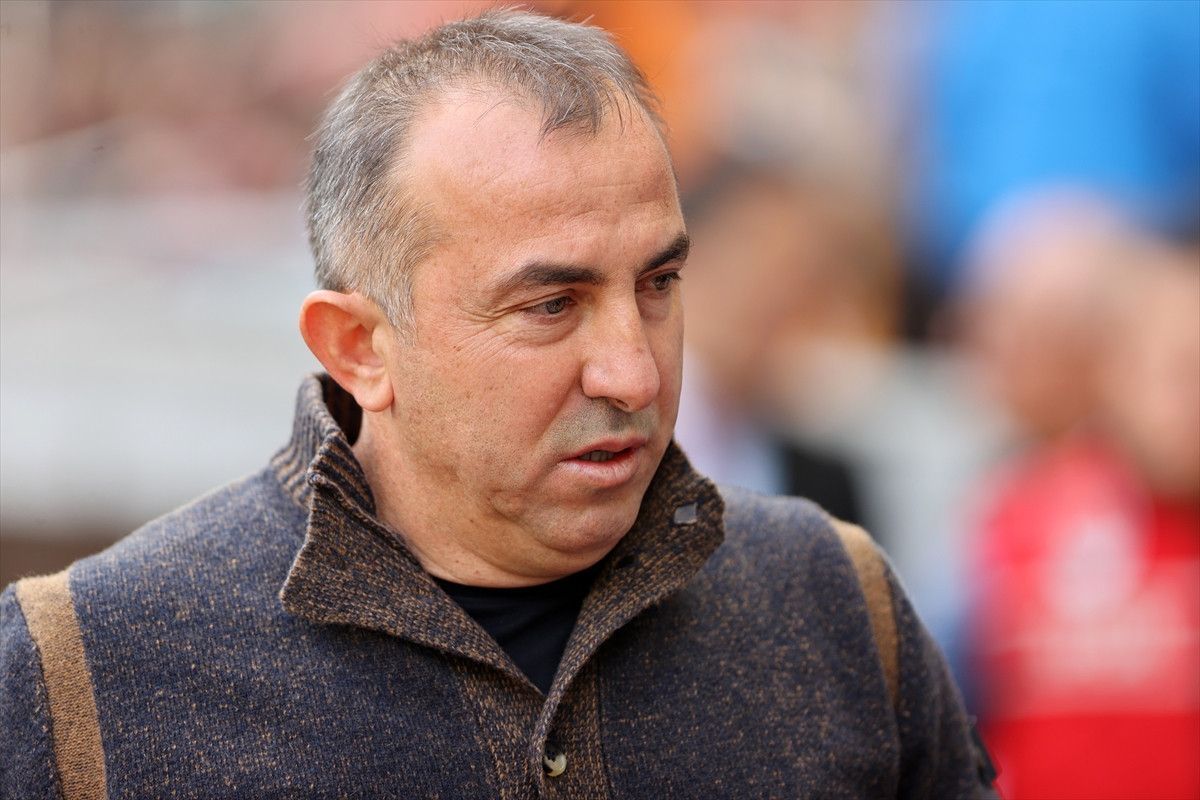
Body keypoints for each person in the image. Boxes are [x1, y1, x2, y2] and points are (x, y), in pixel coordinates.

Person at [1, 11, 994, 798]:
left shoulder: (831, 603)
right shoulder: (82, 676)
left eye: (658, 284)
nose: (634, 373)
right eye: (551, 305)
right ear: (359, 348)